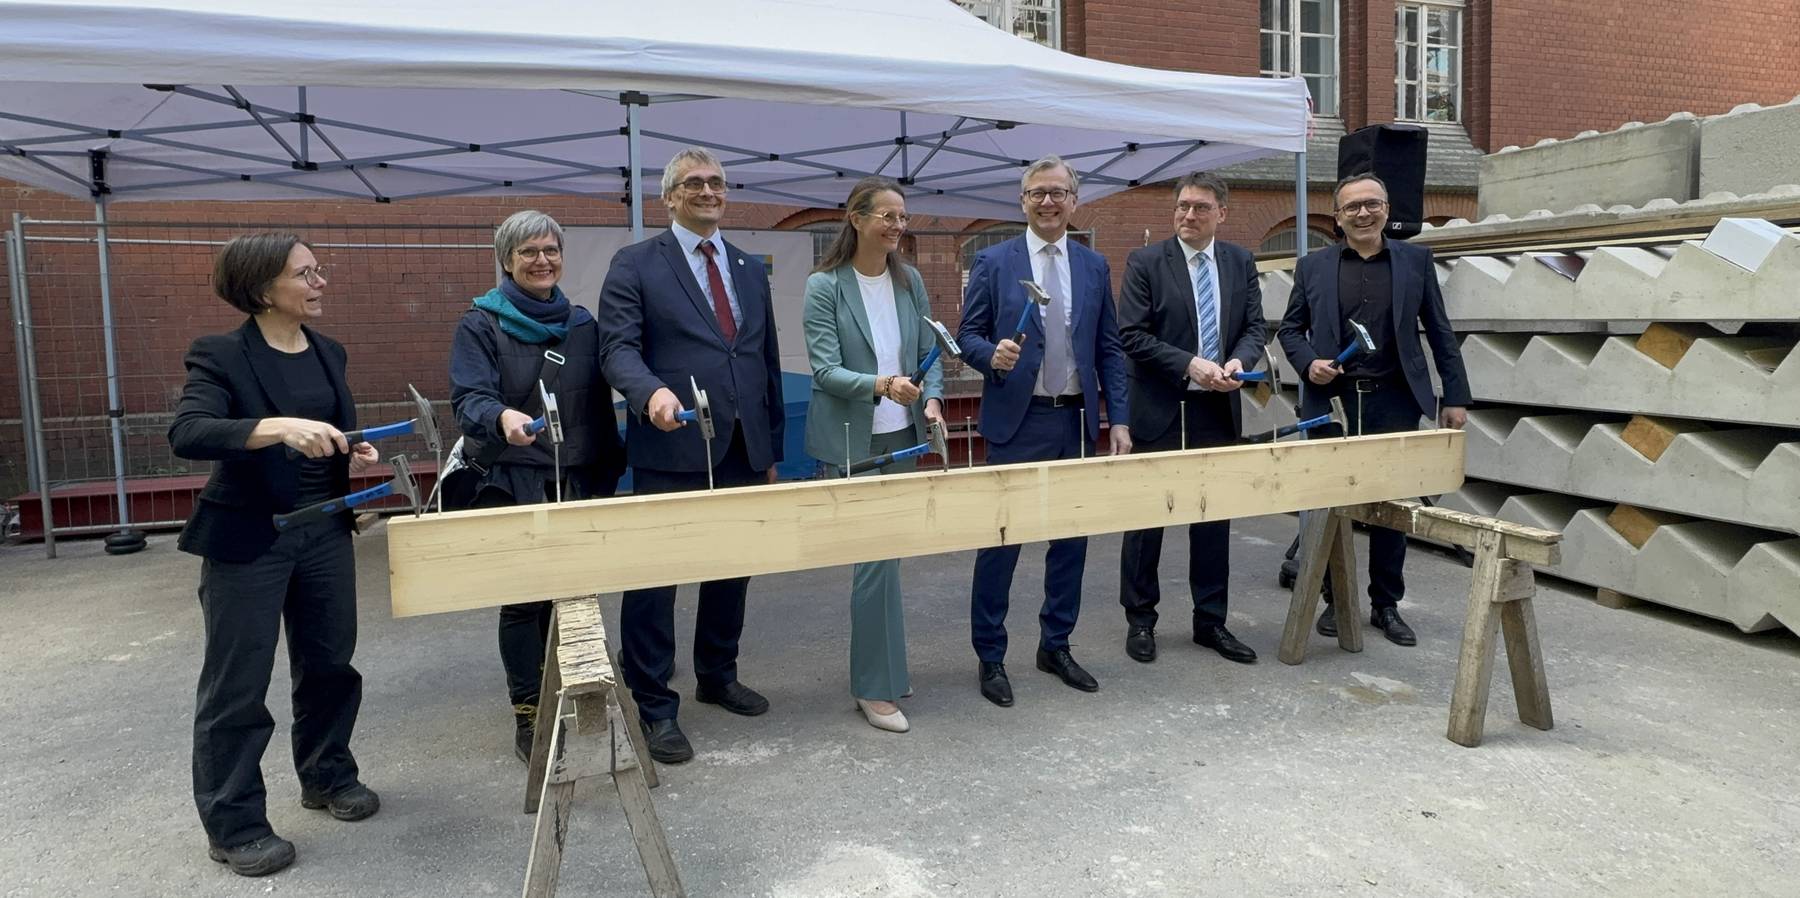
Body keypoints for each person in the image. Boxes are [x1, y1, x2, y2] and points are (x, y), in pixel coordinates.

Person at [168, 233, 380, 877]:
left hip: (324, 531)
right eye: (304, 274)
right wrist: (280, 427)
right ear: (263, 288)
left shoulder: (328, 351)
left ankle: (327, 774)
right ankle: (234, 823)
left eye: (320, 269)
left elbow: (326, 430)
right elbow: (190, 432)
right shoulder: (221, 354)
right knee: (238, 686)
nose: (320, 282)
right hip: (249, 539)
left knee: (329, 665)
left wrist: (350, 450)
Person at [599, 147, 785, 763]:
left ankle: (717, 674)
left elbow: (763, 362)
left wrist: (771, 448)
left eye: (717, 182)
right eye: (694, 183)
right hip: (671, 441)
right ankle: (652, 702)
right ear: (669, 197)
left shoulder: (747, 267)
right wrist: (649, 391)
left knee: (732, 566)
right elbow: (617, 350)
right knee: (656, 578)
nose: (708, 191)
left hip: (741, 444)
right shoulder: (635, 264)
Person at [448, 210, 626, 761]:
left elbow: (597, 407)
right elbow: (467, 398)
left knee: (577, 593)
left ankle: (577, 692)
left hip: (574, 476)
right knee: (525, 603)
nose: (542, 260)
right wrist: (499, 416)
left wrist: (606, 471)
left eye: (550, 250)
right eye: (528, 252)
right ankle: (529, 711)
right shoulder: (479, 324)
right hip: (513, 477)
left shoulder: (582, 325)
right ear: (506, 259)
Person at [955, 155, 1132, 707]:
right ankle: (990, 655)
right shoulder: (993, 261)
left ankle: (1055, 644)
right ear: (1022, 201)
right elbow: (967, 336)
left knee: (1070, 543)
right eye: (1037, 193)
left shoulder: (1093, 266)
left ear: (1075, 202)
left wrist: (1118, 419)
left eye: (1058, 193)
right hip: (1018, 419)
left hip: (1076, 420)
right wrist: (993, 357)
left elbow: (1108, 346)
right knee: (1002, 541)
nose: (1049, 202)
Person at [1276, 172, 1472, 647]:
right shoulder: (1313, 267)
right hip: (1334, 403)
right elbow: (1290, 330)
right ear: (1338, 217)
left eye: (1372, 204)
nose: (1363, 214)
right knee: (1329, 505)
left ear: (1387, 208)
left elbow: (1441, 333)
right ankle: (1334, 600)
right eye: (1352, 208)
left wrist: (1456, 397)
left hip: (1395, 400)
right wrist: (1309, 364)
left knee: (1392, 508)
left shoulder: (1416, 262)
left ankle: (1386, 604)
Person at [802, 176, 946, 733]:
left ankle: (887, 668)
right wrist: (883, 385)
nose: (896, 225)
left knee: (890, 558)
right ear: (856, 218)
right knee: (874, 563)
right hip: (852, 439)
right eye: (885, 215)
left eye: (902, 217)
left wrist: (930, 400)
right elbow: (823, 370)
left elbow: (930, 352)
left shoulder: (908, 282)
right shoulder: (825, 286)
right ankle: (874, 687)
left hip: (903, 434)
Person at [1115, 172, 1266, 665]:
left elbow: (1253, 326)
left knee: (1212, 520)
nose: (1188, 215)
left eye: (1200, 207)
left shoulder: (1240, 261)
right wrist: (1189, 363)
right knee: (1146, 520)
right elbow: (1131, 336)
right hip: (1161, 408)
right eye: (1182, 206)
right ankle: (1140, 621)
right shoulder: (1146, 262)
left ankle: (1211, 622)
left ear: (1222, 212)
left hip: (1217, 410)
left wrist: (1239, 360)